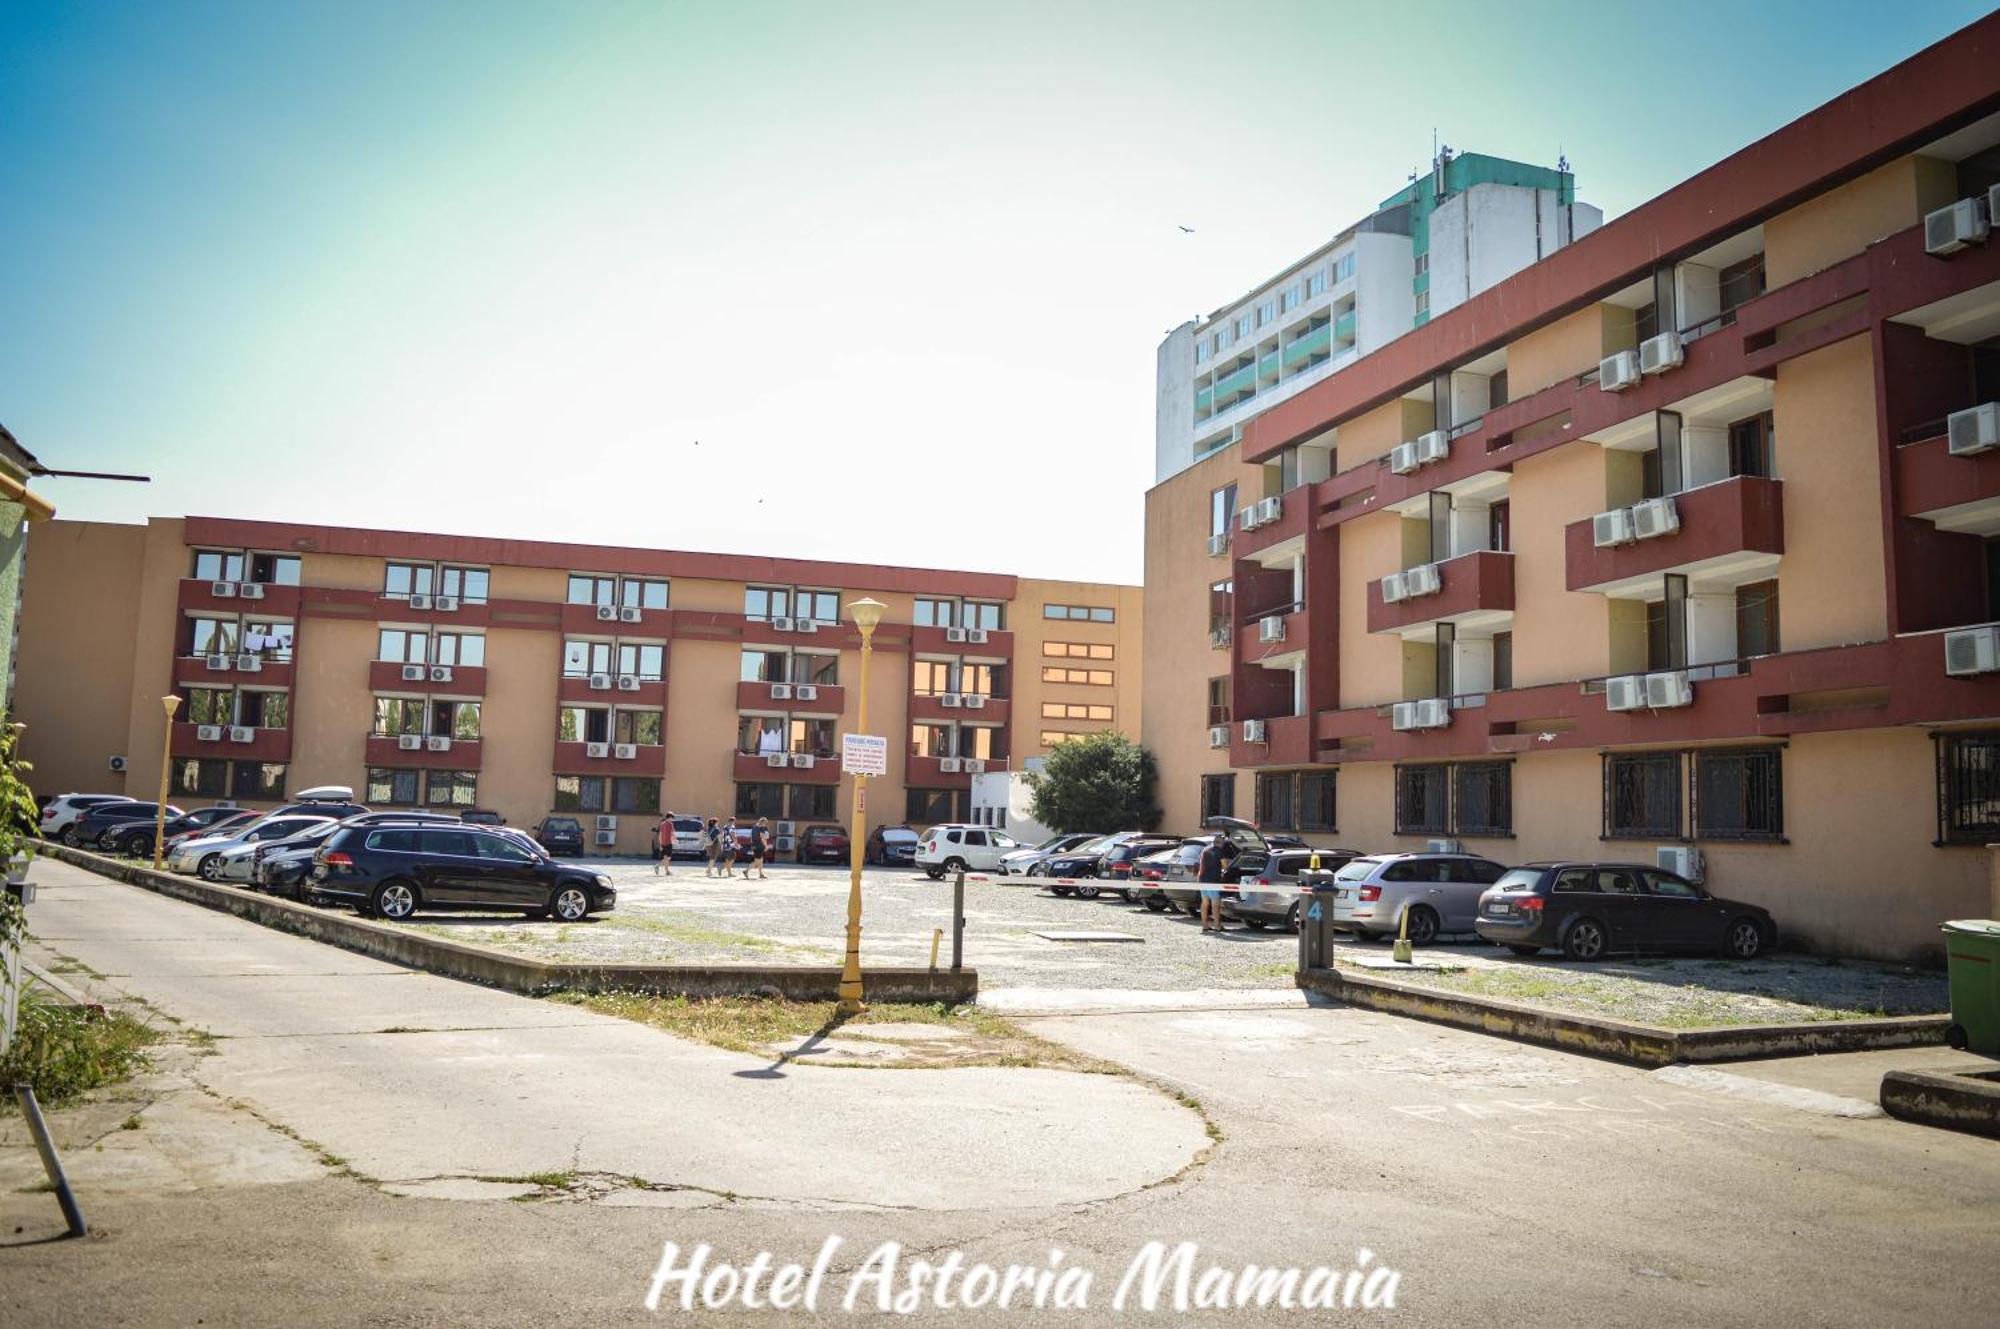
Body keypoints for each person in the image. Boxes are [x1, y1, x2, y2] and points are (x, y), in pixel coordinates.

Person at [1197, 833, 1231, 934]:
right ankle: (1217, 926)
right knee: (1215, 903)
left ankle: (1205, 925)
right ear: (1221, 843)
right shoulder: (1220, 852)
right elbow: (1225, 866)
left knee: (1205, 903)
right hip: (1213, 880)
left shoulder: (1206, 850)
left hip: (1202, 879)